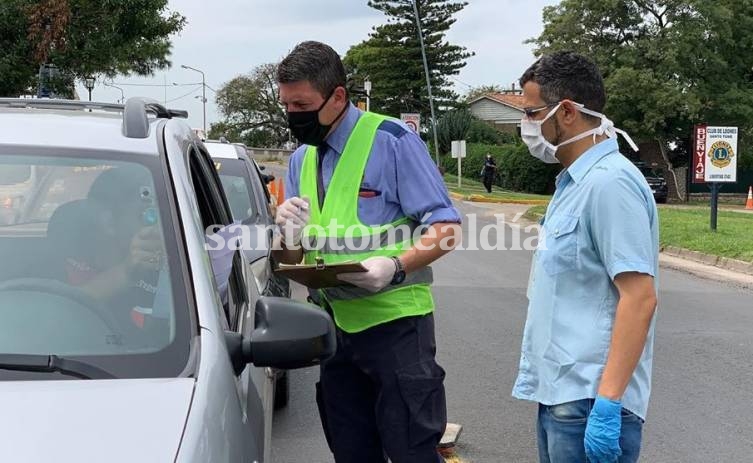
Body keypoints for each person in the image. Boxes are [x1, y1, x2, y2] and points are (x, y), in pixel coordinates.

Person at [273, 41, 462, 463]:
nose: (293, 116)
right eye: (287, 105)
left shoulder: (392, 141)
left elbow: (446, 229)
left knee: (411, 450)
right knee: (352, 452)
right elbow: (291, 261)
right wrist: (286, 233)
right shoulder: (301, 158)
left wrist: (394, 266)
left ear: (338, 96)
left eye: (302, 104)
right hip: (336, 332)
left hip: (397, 328)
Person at [511, 51, 659, 463]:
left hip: (591, 401)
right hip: (563, 396)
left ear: (568, 111)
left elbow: (639, 297)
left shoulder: (609, 185)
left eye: (533, 113)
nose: (527, 125)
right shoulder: (574, 184)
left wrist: (609, 404)